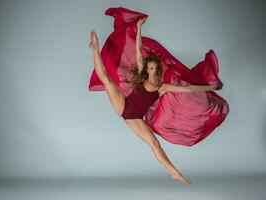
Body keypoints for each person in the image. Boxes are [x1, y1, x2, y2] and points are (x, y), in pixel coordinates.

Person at [88, 16, 222, 185]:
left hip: (135, 118)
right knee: (107, 80)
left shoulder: (162, 87)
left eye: (154, 68)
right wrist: (138, 28)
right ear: (147, 70)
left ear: (158, 69)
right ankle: (94, 48)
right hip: (124, 106)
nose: (152, 71)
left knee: (155, 143)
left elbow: (188, 89)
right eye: (150, 68)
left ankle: (174, 172)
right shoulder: (143, 75)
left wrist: (209, 88)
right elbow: (138, 51)